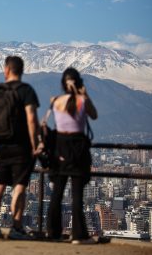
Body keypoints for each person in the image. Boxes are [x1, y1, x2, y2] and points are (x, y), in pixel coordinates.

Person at [0, 55, 42, 240]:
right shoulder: (26, 91)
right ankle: (16, 228)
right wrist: (35, 144)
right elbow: (32, 119)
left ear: (6, 70)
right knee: (19, 186)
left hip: (1, 146)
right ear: (21, 70)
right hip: (21, 146)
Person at [46, 67, 98, 244]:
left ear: (63, 83)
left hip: (59, 150)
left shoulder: (56, 101)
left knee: (56, 194)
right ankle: (78, 235)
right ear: (79, 82)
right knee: (77, 196)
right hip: (78, 151)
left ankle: (53, 232)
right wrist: (85, 94)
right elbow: (94, 115)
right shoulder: (82, 101)